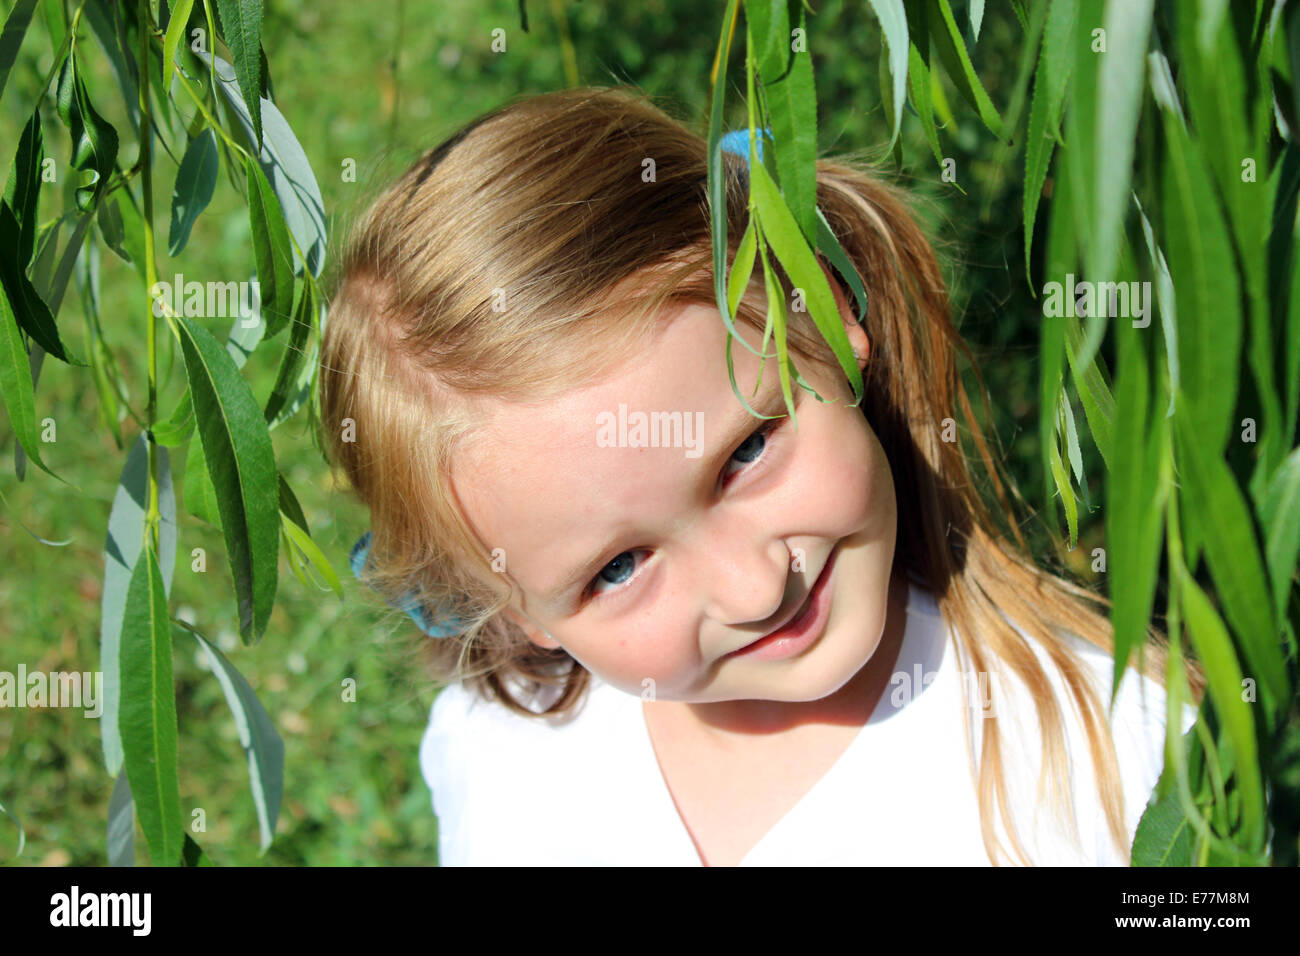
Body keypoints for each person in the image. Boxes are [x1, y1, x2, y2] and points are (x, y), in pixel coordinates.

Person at [317, 86, 1206, 866]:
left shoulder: (1131, 761)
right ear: (508, 607)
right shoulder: (497, 758)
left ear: (820, 310)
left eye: (745, 454)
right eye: (616, 569)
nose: (751, 589)